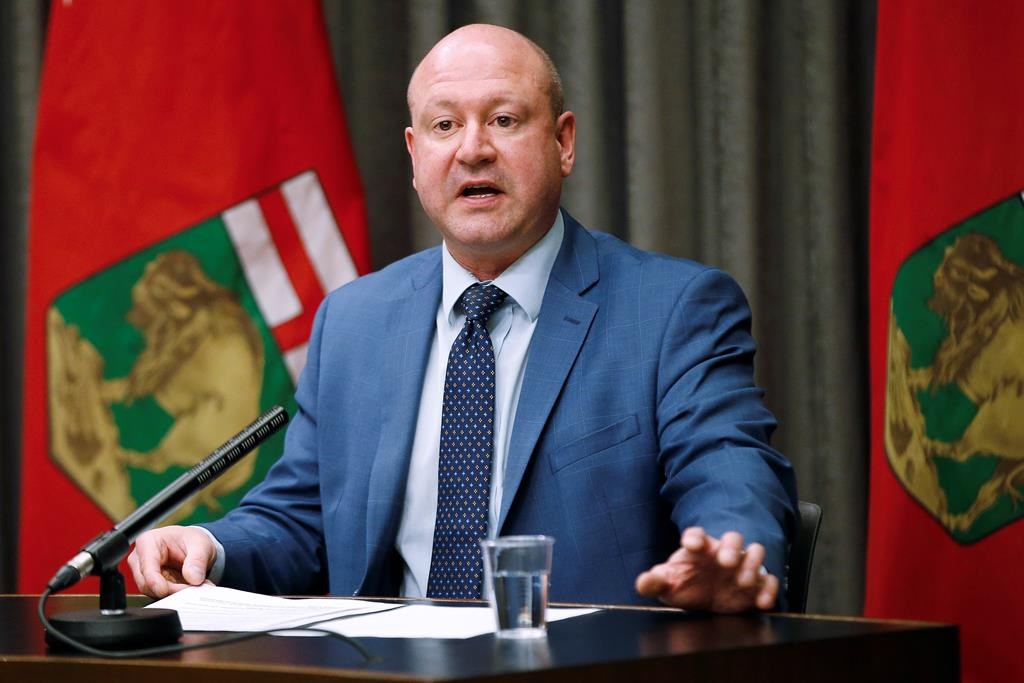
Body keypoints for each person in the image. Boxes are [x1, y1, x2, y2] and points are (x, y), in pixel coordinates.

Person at [128, 24, 797, 613]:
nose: (473, 149)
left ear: (564, 142)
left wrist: (734, 551)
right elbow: (301, 518)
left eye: (504, 120)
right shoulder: (355, 321)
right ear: (415, 155)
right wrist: (208, 544)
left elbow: (727, 467)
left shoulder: (671, 309)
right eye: (445, 126)